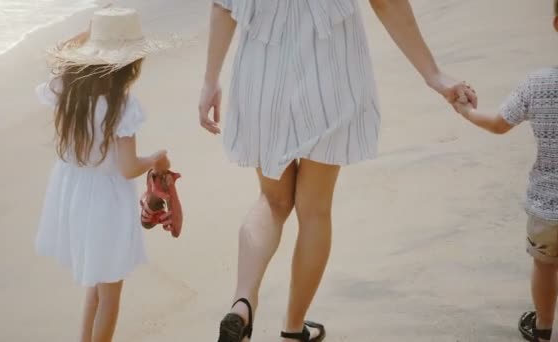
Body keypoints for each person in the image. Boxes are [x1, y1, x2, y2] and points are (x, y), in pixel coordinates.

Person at [198, 0, 476, 341]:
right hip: (328, 74)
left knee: (272, 202)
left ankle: (241, 303)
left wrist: (210, 79)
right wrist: (433, 75)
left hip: (262, 78)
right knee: (314, 211)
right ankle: (293, 329)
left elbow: (224, 5)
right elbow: (387, 3)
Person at [35, 8, 171, 342]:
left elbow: (57, 55)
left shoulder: (68, 93)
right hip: (107, 203)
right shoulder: (120, 105)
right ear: (130, 63)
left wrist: (88, 37)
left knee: (95, 283)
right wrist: (156, 160)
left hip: (74, 195)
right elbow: (127, 168)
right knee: (109, 293)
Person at [454, 3, 558, 341]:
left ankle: (542, 329)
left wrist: (465, 110)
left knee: (545, 266)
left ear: (556, 24)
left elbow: (498, 124)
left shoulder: (539, 83)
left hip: (548, 209)